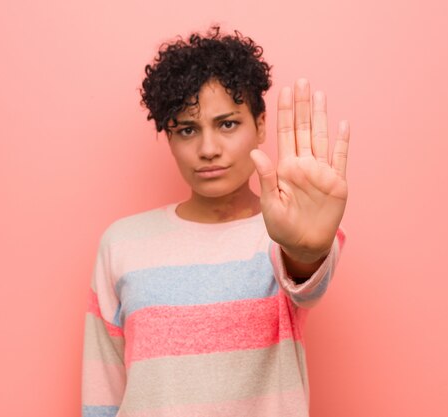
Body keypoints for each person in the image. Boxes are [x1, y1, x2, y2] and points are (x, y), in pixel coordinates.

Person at [81, 26, 350, 417]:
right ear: (168, 138)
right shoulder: (122, 243)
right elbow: (102, 393)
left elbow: (305, 282)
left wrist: (306, 250)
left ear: (260, 125)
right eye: (187, 130)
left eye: (227, 124)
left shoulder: (288, 232)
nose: (208, 150)